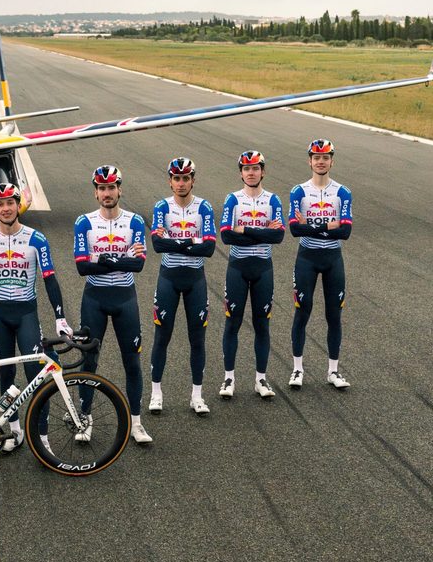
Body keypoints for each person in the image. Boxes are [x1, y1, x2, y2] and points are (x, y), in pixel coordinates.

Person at [0, 183, 72, 453]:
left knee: (36, 375)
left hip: (26, 313)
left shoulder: (36, 239)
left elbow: (50, 279)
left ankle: (43, 438)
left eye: (10, 203)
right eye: (0, 204)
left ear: (19, 206)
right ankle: (14, 431)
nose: (6, 209)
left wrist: (60, 317)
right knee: (6, 374)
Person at [73, 165, 153, 445]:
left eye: (111, 187)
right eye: (102, 188)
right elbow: (82, 268)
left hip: (124, 299)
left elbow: (138, 265)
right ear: (96, 193)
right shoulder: (84, 222)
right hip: (94, 299)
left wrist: (102, 259)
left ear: (120, 189)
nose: (107, 193)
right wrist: (120, 260)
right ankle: (85, 418)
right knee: (89, 361)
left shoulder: (134, 221)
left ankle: (136, 422)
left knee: (132, 361)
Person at [148, 157, 217, 415]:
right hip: (168, 278)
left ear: (192, 180)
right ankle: (156, 393)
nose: (181, 183)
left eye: (185, 178)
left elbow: (209, 248)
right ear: (170, 181)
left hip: (195, 279)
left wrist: (175, 242)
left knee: (197, 339)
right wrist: (192, 241)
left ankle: (197, 396)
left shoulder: (204, 207)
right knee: (161, 337)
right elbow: (158, 245)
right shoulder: (161, 207)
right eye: (176, 178)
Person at [219, 150, 285, 400]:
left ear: (263, 172)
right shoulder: (232, 199)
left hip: (263, 268)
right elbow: (226, 236)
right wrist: (262, 232)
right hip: (238, 267)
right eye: (246, 169)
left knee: (262, 324)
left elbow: (278, 236)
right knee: (232, 323)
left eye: (255, 168)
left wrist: (244, 229)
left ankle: (261, 379)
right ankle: (229, 378)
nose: (251, 173)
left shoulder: (273, 200)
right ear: (241, 173)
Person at [288, 139, 353, 390]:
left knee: (334, 315)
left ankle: (333, 371)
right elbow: (295, 230)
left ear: (332, 161)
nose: (321, 161)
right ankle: (297, 369)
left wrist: (312, 226)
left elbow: (345, 232)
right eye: (316, 157)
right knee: (302, 312)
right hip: (307, 257)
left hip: (333, 259)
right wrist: (329, 225)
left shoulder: (343, 192)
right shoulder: (299, 191)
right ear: (310, 161)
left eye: (325, 157)